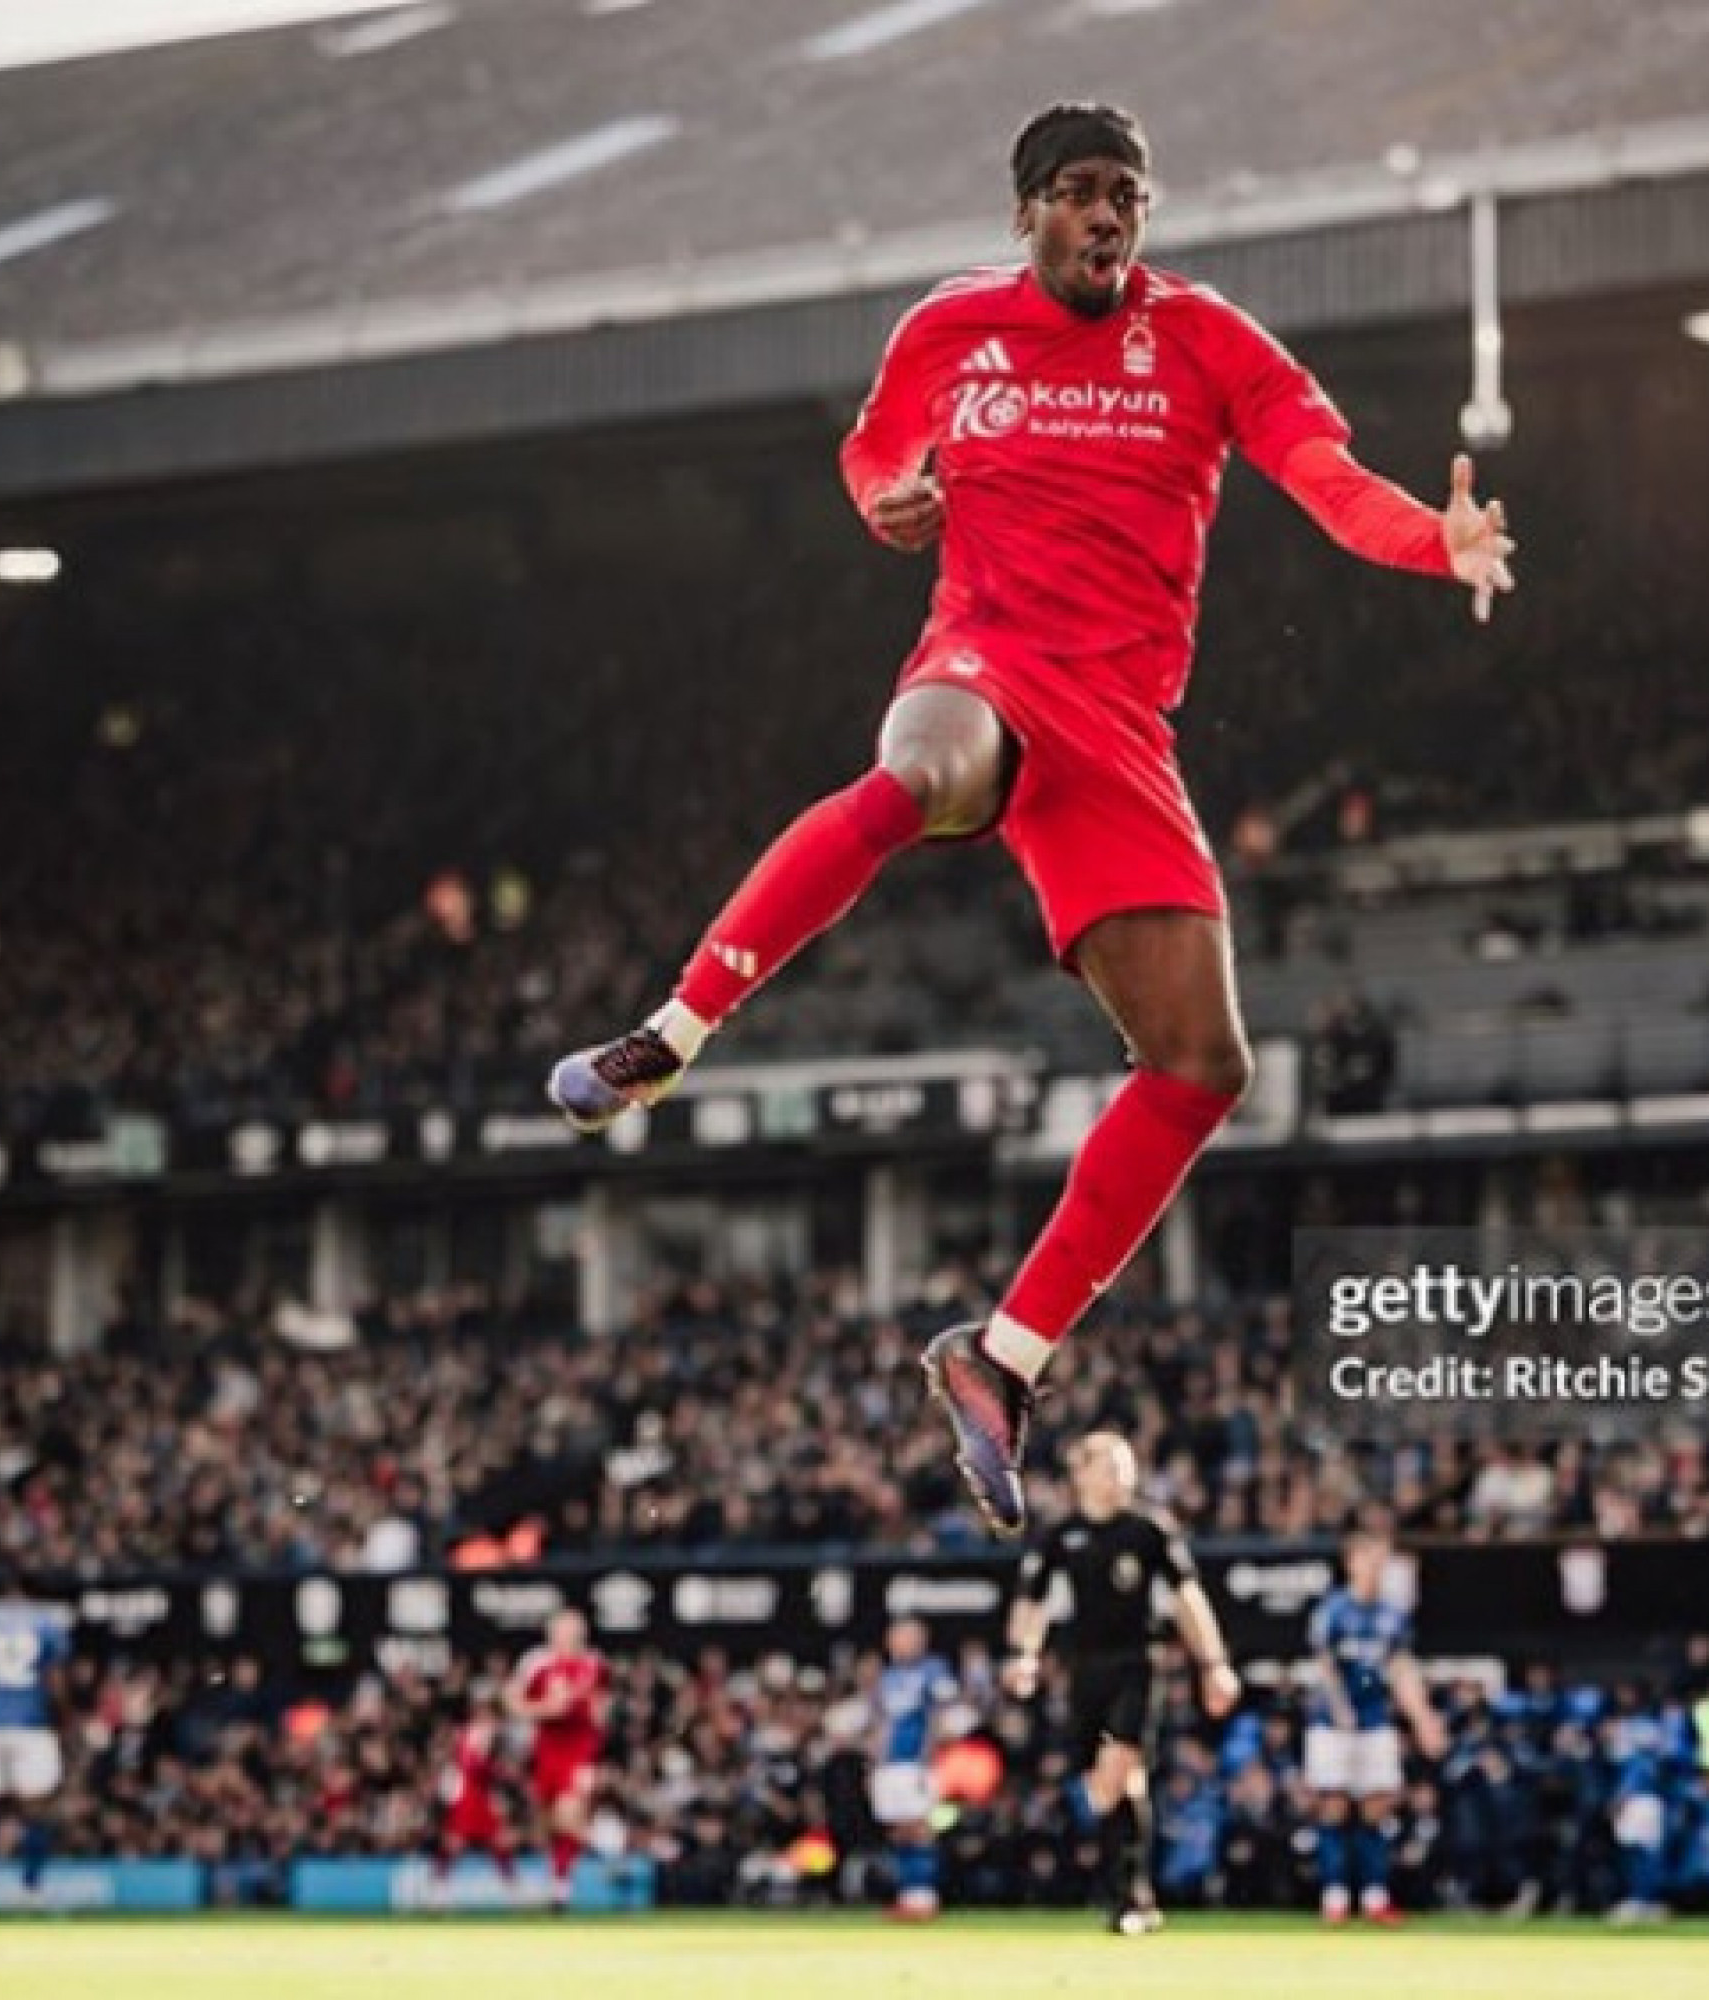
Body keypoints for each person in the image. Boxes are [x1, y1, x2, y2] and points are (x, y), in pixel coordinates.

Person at [549, 101, 1517, 1538]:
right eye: (1078, 192)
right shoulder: (950, 330)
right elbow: (874, 458)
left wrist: (1429, 540)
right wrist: (893, 502)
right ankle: (668, 1039)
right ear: (1028, 213)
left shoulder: (1208, 341)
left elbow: (1321, 475)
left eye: (1127, 193)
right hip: (985, 663)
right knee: (919, 777)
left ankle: (1001, 1359)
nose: (1107, 215)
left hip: (1119, 728)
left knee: (1201, 1067)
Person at [1004, 1432, 1241, 1934]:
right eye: (1110, 1465)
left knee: (1119, 1768)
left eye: (1126, 1465)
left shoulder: (1149, 1530)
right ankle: (1131, 1894)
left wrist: (1214, 1662)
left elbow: (1187, 1598)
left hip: (1136, 1664)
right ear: (1082, 1473)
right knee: (1108, 1789)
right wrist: (1024, 1655)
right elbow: (1031, 1603)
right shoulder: (1059, 1535)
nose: (1121, 1475)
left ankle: (1128, 1897)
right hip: (1081, 1671)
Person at [1306, 1521, 1446, 1924]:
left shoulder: (1392, 1616)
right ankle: (1333, 1896)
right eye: (1369, 1559)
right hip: (1332, 1725)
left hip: (1375, 1722)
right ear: (1351, 1562)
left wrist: (1423, 1720)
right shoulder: (1332, 1610)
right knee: (1332, 1806)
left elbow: (1402, 1670)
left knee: (1377, 1807)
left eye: (1381, 1561)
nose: (1376, 1567)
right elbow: (1325, 1666)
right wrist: (1339, 1710)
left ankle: (1374, 1896)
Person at [507, 1609, 607, 1910]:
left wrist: (593, 1721)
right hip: (546, 1750)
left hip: (579, 1751)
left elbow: (599, 1706)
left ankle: (610, 1847)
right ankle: (560, 1887)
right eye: (561, 1629)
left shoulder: (593, 1663)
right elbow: (512, 1700)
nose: (566, 1635)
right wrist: (544, 1709)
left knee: (568, 1813)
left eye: (573, 1630)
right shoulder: (536, 1661)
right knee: (550, 1825)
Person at [869, 1617, 958, 1920]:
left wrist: (930, 1756)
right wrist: (877, 1762)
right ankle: (908, 1897)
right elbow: (882, 1722)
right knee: (898, 1831)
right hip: (891, 1765)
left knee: (919, 1828)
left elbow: (940, 1716)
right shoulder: (888, 1677)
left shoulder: (934, 1671)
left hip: (917, 1763)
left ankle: (925, 1897)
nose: (898, 1645)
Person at [0, 1569, 68, 1908]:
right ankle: (32, 1886)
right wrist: (65, 1720)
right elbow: (54, 1679)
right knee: (38, 1808)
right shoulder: (42, 1622)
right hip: (29, 1723)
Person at [434, 1700, 518, 1894]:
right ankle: (437, 1891)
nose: (492, 1723)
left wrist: (500, 1773)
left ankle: (514, 1891)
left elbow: (486, 1767)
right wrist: (500, 1772)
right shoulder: (469, 1735)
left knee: (500, 1842)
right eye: (487, 1717)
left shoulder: (491, 1738)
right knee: (454, 1843)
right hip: (468, 1796)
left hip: (483, 1796)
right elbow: (471, 1766)